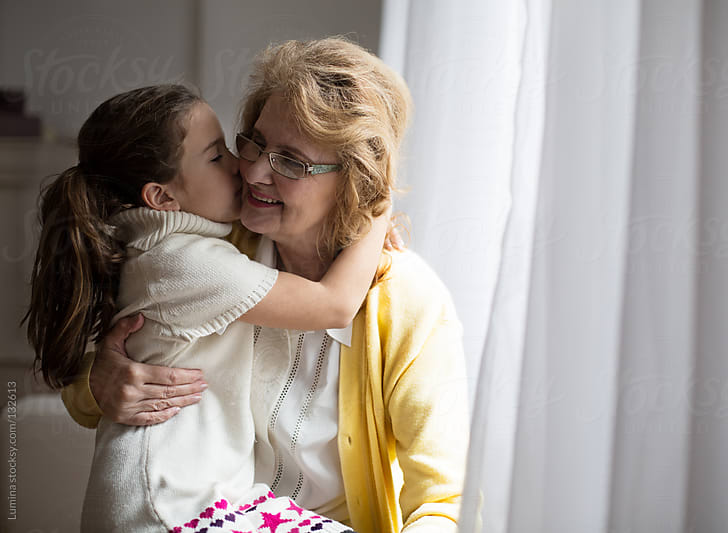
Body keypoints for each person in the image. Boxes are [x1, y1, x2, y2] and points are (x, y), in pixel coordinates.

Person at [63, 38, 470, 533]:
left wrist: (376, 208)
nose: (252, 171)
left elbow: (441, 501)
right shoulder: (209, 248)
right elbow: (84, 394)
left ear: (355, 179)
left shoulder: (409, 302)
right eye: (253, 141)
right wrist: (101, 384)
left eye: (291, 161)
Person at [24, 84, 393, 531]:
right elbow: (333, 305)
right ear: (161, 197)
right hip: (168, 506)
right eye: (218, 156)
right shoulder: (188, 262)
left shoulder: (162, 249)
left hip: (202, 498)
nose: (244, 167)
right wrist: (377, 210)